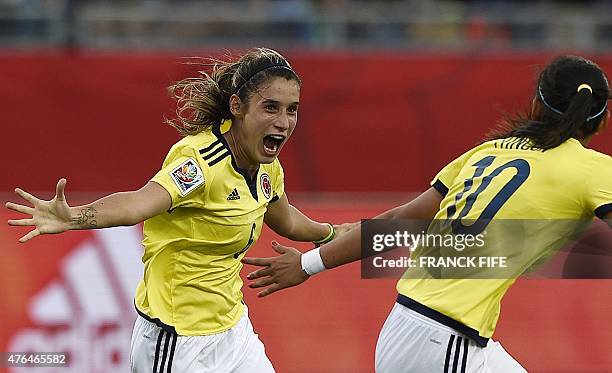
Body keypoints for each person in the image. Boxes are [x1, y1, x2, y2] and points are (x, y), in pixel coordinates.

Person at [242, 55, 612, 372]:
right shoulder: (593, 170)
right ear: (601, 119)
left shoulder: (488, 152)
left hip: (413, 328)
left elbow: (397, 223)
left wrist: (308, 265)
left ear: (536, 103)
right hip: (444, 340)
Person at [5, 48, 350, 373]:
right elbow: (138, 203)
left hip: (233, 330)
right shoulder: (201, 162)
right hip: (177, 339)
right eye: (271, 107)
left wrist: (331, 234)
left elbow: (285, 219)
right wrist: (75, 217)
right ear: (237, 106)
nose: (284, 121)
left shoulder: (267, 168)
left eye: (292, 109)